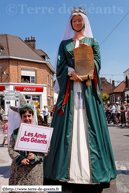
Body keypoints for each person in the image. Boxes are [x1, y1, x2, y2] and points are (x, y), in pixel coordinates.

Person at [44, 6, 116, 189]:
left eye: (79, 20)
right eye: (74, 20)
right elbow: (60, 65)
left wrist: (86, 75)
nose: (77, 23)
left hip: (88, 90)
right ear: (71, 23)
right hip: (70, 87)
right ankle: (62, 171)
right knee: (66, 124)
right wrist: (70, 73)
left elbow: (97, 63)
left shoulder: (93, 42)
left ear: (84, 22)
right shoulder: (64, 44)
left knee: (91, 124)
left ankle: (96, 170)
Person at [8, 104, 46, 186]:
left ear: (33, 117)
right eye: (24, 116)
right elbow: (11, 149)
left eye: (29, 116)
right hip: (19, 169)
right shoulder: (15, 133)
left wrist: (35, 156)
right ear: (21, 118)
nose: (27, 118)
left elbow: (46, 149)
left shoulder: (40, 132)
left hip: (34, 169)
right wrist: (20, 158)